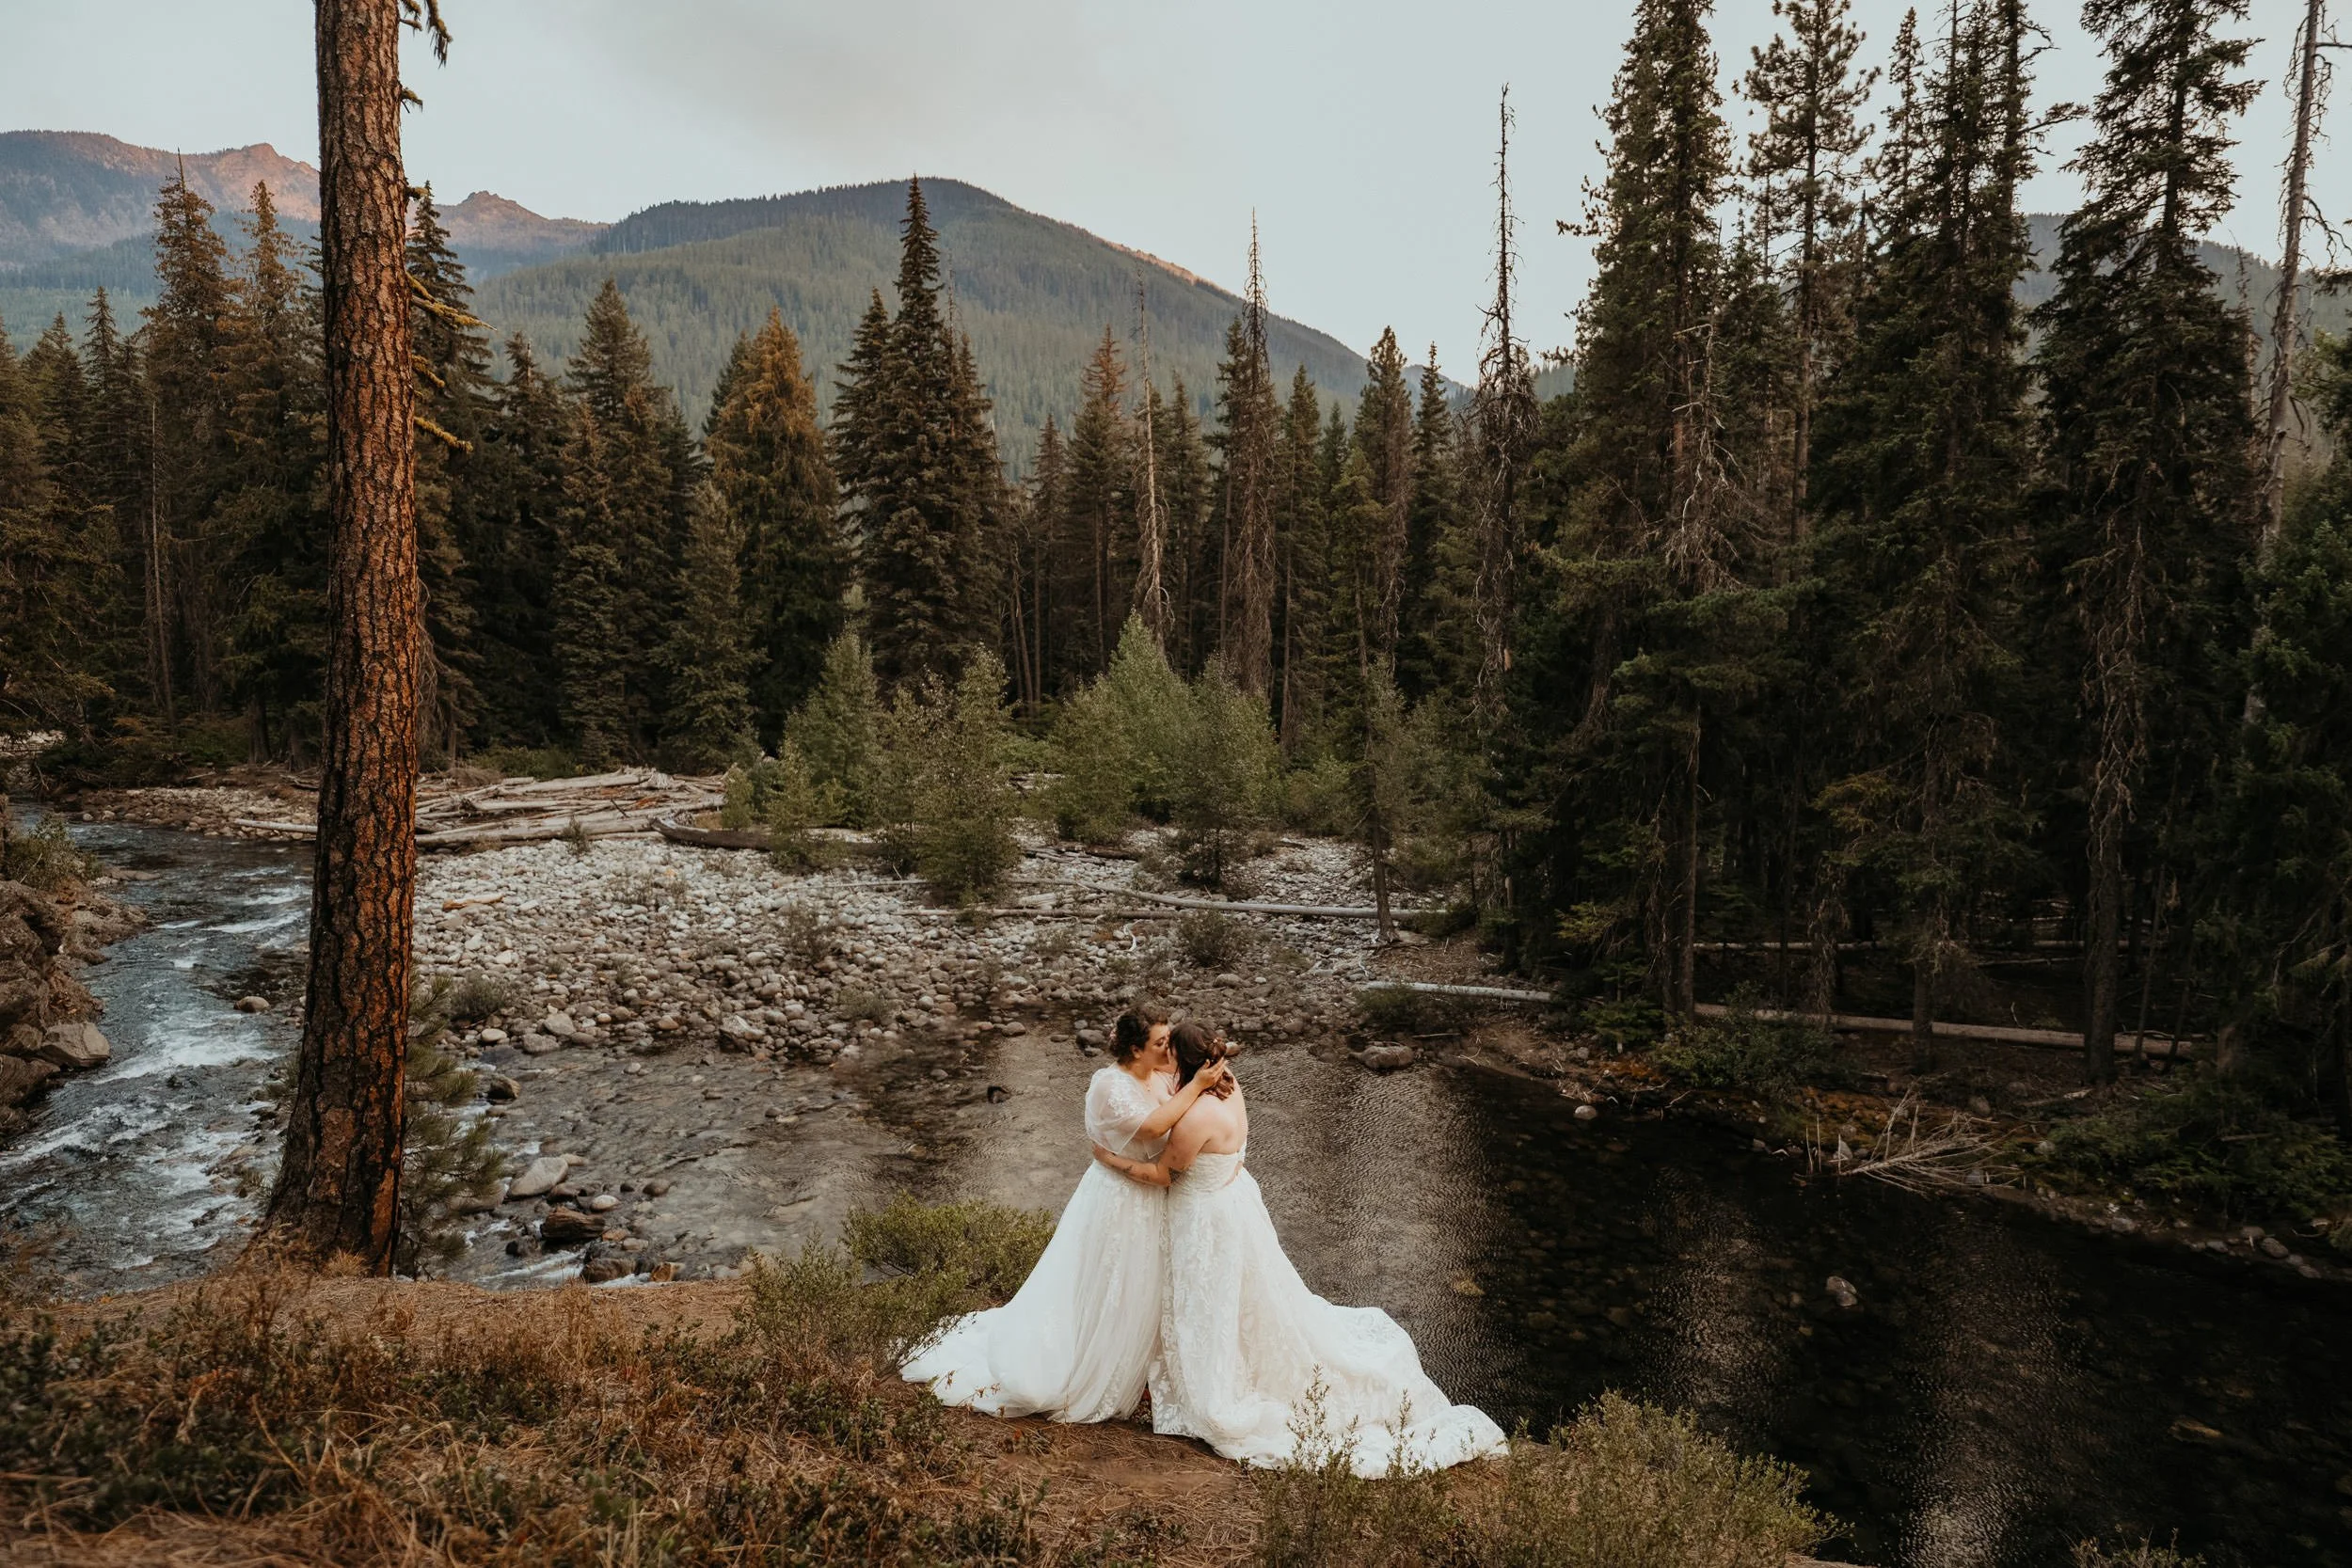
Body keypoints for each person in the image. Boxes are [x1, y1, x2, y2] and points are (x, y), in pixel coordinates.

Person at [1092, 1022, 1505, 1476]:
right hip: (1237, 1202)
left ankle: (1206, 1382)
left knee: (1208, 1301)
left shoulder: (1193, 1118)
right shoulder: (1230, 1090)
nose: (1164, 1057)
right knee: (1243, 1297)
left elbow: (1163, 1176)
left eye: (1171, 1052)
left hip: (1205, 1217)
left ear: (1187, 1065)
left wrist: (1110, 1159)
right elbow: (1236, 1151)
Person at [900, 1009, 1230, 1420]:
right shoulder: (1110, 1086)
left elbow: (1181, 1108)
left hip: (1149, 1199)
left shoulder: (1160, 1076)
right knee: (1109, 1282)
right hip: (1118, 1199)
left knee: (1144, 1283)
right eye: (1161, 1043)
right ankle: (1095, 1364)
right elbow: (1152, 1128)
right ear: (1134, 1049)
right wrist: (1199, 1083)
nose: (1169, 1049)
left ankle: (1143, 1367)